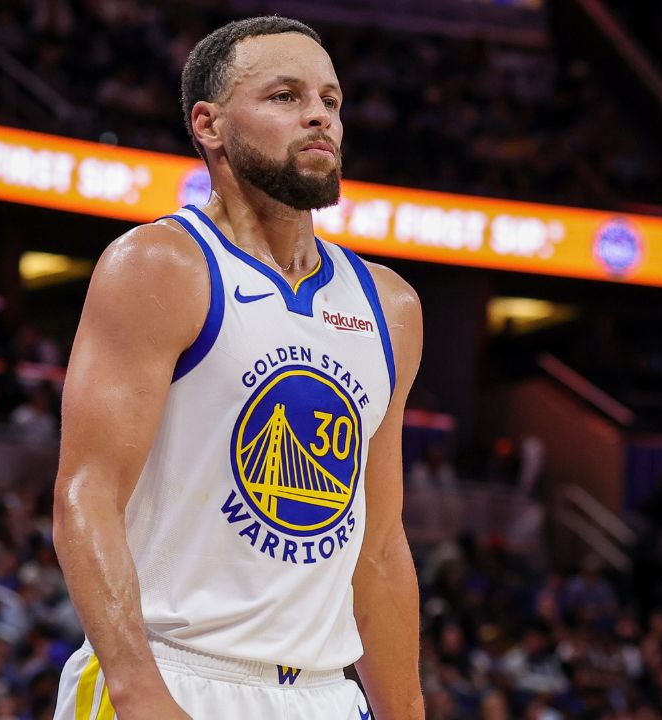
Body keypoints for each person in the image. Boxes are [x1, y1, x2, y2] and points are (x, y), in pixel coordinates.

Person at [51, 16, 424, 720]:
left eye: (331, 100)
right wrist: (136, 691)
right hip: (172, 672)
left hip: (325, 694)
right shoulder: (162, 265)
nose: (320, 115)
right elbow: (86, 496)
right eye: (286, 96)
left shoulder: (390, 306)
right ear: (210, 125)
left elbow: (378, 548)